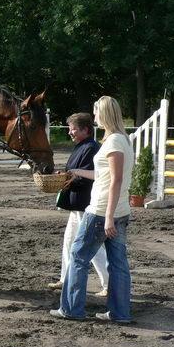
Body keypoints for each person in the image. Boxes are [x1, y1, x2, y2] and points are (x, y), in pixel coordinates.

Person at [50, 96, 134, 323]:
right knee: (118, 263)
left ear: (103, 113)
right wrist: (76, 172)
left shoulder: (113, 142)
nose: (94, 116)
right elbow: (104, 175)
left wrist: (108, 217)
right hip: (119, 210)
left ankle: (71, 309)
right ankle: (120, 313)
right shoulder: (123, 140)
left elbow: (116, 180)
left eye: (96, 112)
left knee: (78, 257)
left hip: (101, 211)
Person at [48, 113, 109, 297]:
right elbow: (74, 172)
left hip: (85, 204)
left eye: (73, 129)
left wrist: (66, 179)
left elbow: (87, 177)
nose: (70, 132)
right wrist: (64, 176)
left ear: (85, 130)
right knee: (69, 241)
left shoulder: (91, 148)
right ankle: (65, 278)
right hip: (77, 206)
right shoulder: (81, 146)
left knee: (92, 246)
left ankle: (109, 283)